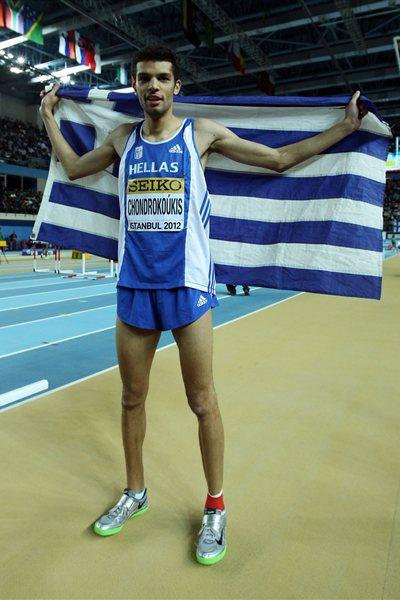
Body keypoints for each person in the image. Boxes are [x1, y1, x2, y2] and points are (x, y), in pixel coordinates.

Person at [39, 45, 367, 565]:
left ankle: (215, 505)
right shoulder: (123, 139)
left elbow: (278, 160)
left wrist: (345, 130)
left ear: (176, 86)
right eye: (144, 79)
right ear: (136, 87)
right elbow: (76, 168)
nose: (153, 87)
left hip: (189, 288)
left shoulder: (202, 135)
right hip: (134, 289)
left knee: (203, 401)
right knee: (130, 399)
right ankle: (136, 492)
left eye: (162, 79)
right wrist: (46, 117)